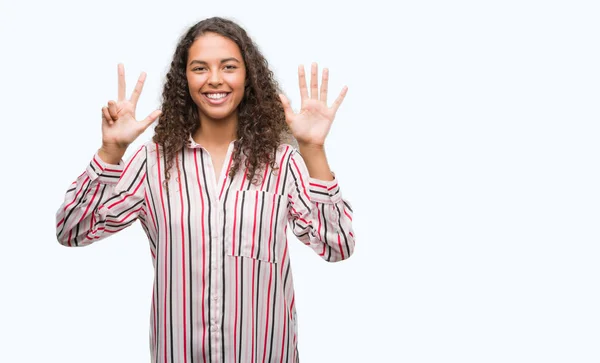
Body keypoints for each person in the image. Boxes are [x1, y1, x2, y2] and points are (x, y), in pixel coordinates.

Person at [55, 16, 355, 363]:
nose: (215, 79)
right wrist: (111, 152)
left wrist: (313, 149)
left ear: (248, 77)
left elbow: (339, 245)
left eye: (229, 67)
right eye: (200, 68)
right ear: (185, 80)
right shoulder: (152, 163)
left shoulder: (281, 162)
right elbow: (71, 230)